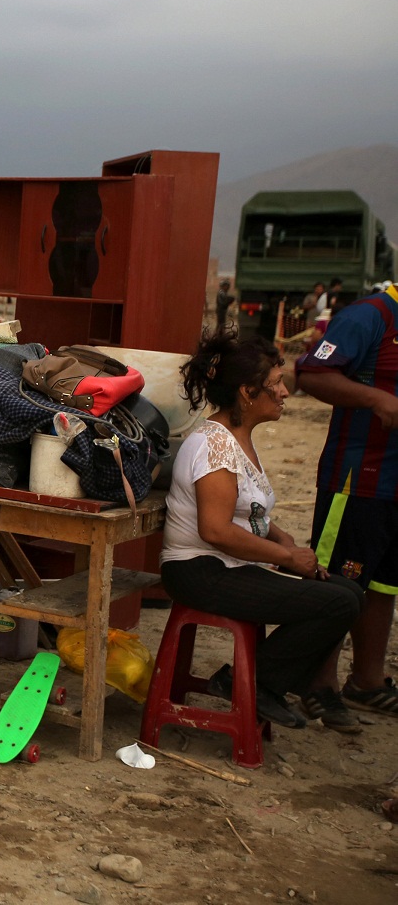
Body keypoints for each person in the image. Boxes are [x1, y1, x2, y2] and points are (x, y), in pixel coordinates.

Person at [161, 331, 362, 728]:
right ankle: (248, 683)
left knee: (349, 591)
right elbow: (216, 530)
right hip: (198, 570)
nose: (286, 393)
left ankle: (260, 683)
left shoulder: (236, 439)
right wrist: (287, 557)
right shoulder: (213, 446)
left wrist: (279, 536)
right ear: (249, 393)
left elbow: (243, 511)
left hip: (223, 565)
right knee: (337, 604)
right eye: (276, 384)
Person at [297, 280, 398, 721]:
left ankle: (368, 681)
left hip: (396, 485)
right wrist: (377, 398)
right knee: (338, 580)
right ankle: (318, 683)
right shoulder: (370, 316)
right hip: (358, 480)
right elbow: (311, 373)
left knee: (384, 583)